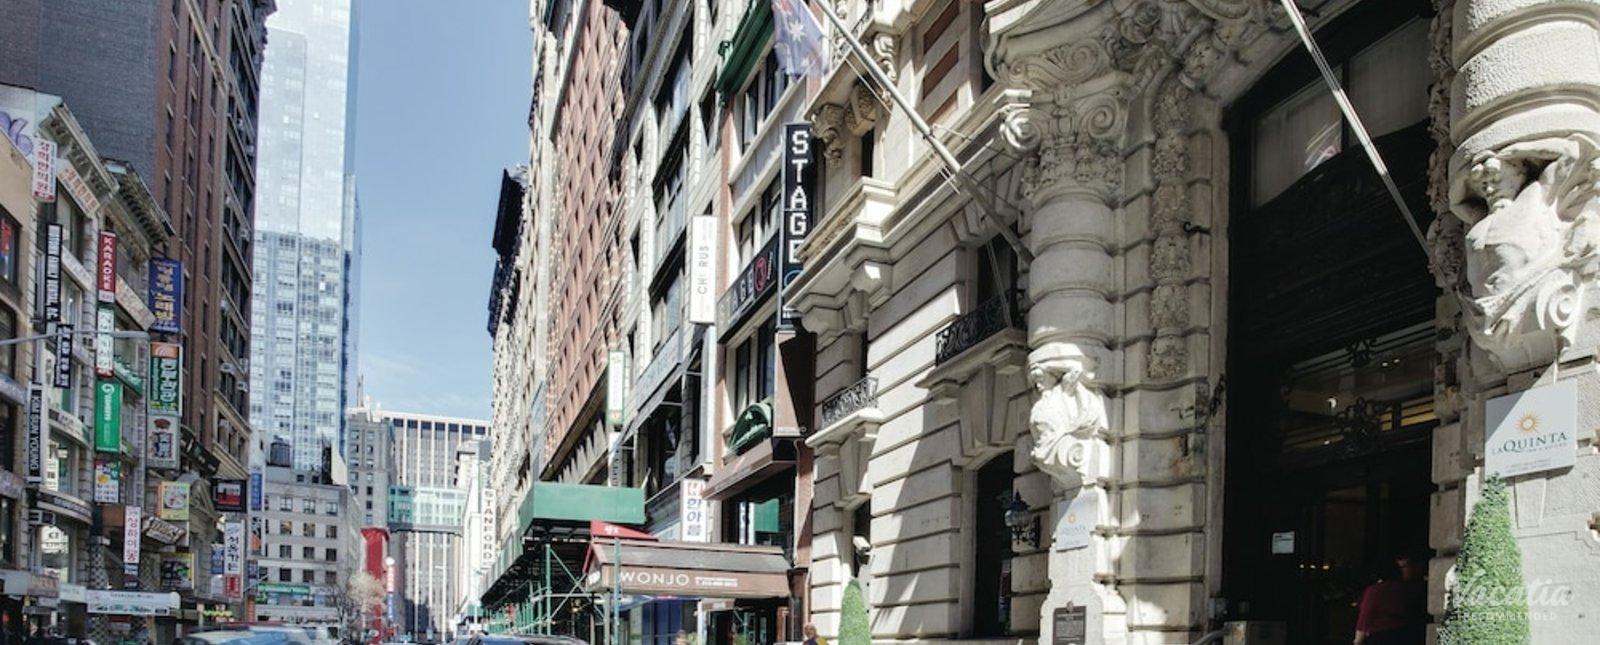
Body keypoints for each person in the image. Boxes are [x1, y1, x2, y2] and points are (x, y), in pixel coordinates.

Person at [1354, 552, 1428, 645]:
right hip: (1408, 635)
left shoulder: (1374, 591)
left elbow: (1365, 618)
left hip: (1380, 638)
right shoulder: (1413, 588)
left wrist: (1358, 641)